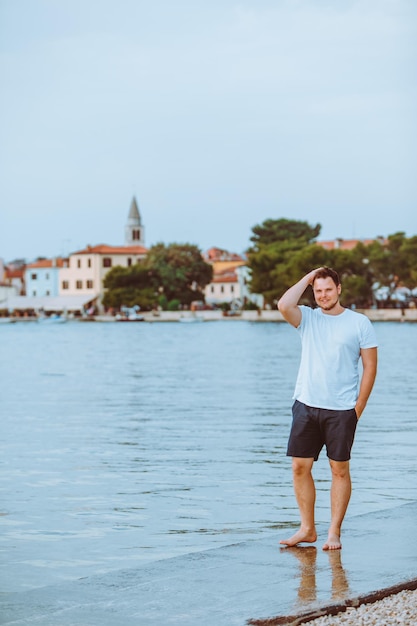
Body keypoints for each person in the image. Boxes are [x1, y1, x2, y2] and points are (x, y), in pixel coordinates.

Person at [277, 267, 378, 550]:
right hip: (306, 405)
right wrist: (309, 277)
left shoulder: (359, 323)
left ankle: (334, 531)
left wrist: (358, 407)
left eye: (328, 289)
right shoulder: (307, 318)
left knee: (340, 471)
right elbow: (284, 304)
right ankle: (307, 529)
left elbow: (370, 367)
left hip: (342, 409)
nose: (323, 295)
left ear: (339, 289)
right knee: (299, 467)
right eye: (318, 291)